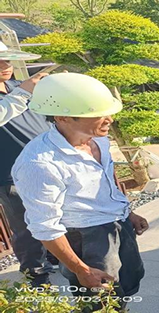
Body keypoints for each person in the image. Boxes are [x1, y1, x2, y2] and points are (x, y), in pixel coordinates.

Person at [12, 73, 148, 310]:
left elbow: (104, 184)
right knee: (100, 302)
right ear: (63, 117)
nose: (109, 120)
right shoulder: (39, 163)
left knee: (126, 287)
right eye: (97, 114)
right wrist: (81, 269)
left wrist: (128, 212)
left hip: (117, 224)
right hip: (84, 236)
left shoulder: (99, 140)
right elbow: (45, 227)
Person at [0, 41, 54, 287]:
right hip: (10, 174)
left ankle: (57, 256)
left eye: (7, 60)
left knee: (56, 216)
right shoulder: (19, 91)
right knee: (25, 225)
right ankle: (36, 275)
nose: (5, 66)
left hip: (47, 165)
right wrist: (23, 92)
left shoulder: (16, 86)